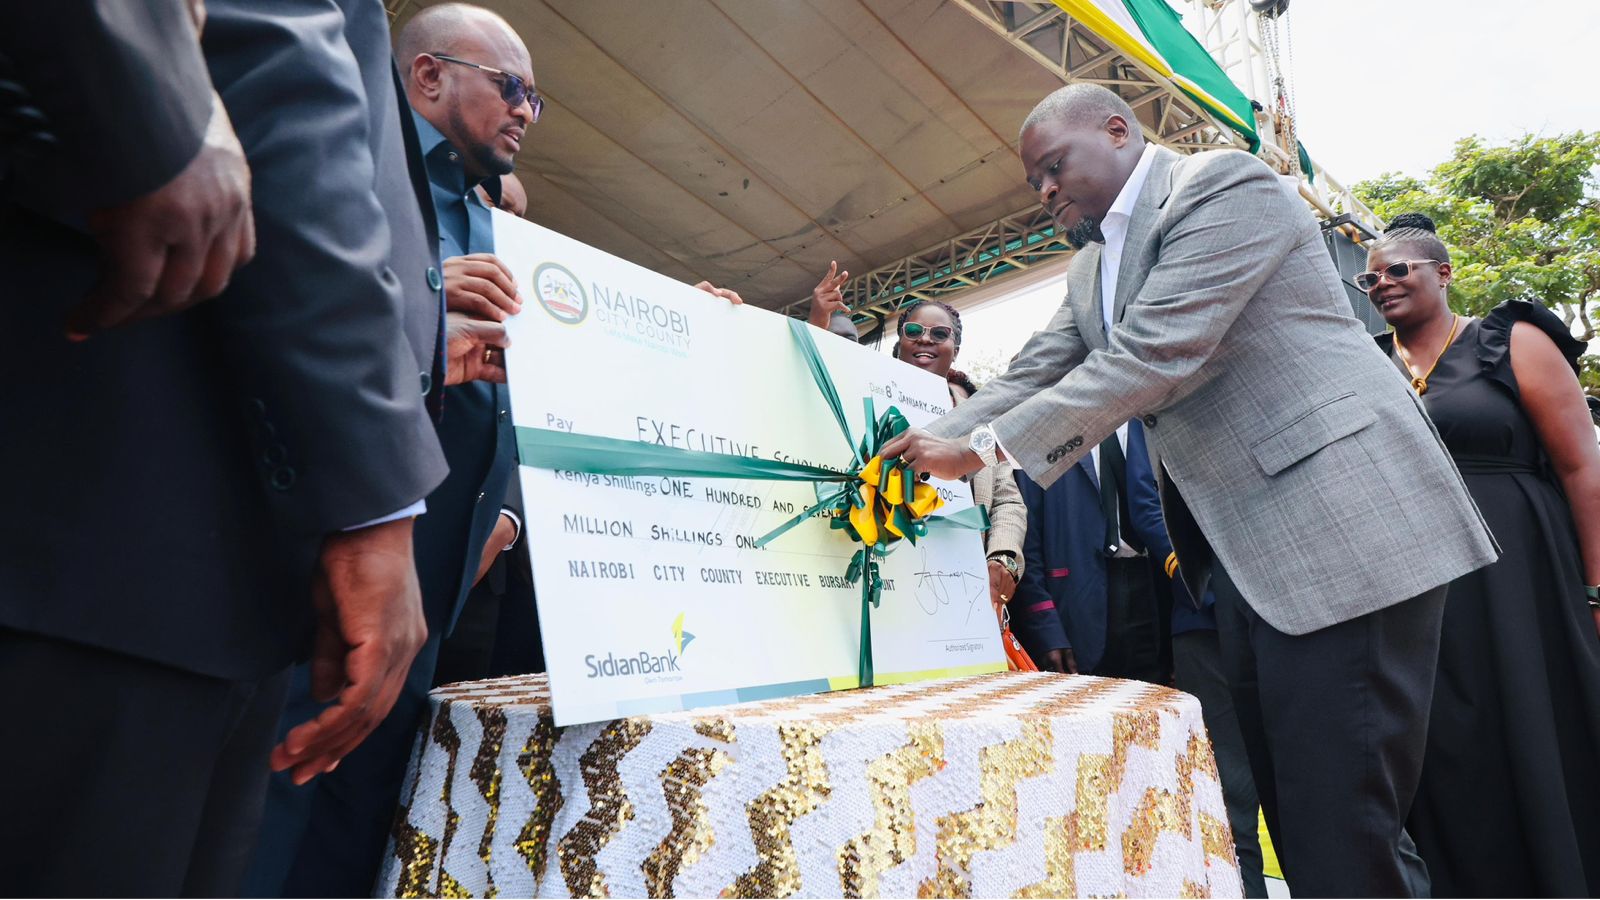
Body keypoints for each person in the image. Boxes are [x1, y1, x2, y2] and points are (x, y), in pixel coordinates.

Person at [881, 83, 1497, 897]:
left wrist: (979, 450)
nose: (1045, 191)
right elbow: (1035, 371)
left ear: (1117, 130)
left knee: (1345, 823)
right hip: (1244, 556)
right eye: (1034, 181)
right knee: (1299, 818)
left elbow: (1153, 353)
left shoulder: (1223, 185)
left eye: (1055, 166)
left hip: (1340, 526)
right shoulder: (1091, 265)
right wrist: (925, 436)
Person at [0, 0, 473, 891]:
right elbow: (283, 100)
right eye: (512, 88)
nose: (527, 111)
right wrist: (377, 500)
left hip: (207, 577)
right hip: (121, 533)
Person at [245, 4, 537, 896]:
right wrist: (422, 303)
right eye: (511, 87)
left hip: (431, 600)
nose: (526, 110)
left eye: (536, 99)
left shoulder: (498, 227)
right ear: (428, 75)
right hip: (319, 575)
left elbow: (511, 393)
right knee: (265, 816)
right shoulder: (355, 170)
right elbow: (285, 298)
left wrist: (501, 516)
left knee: (355, 829)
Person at [1364, 214, 1600, 897]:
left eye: (1399, 269)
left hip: (1522, 575)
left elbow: (1582, 466)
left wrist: (1595, 588)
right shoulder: (1367, 363)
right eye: (1370, 279)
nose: (1383, 284)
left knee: (1535, 721)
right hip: (1420, 585)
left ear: (1443, 273)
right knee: (1445, 743)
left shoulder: (1508, 340)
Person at [889, 300, 1028, 631]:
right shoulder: (871, 403)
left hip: (966, 587)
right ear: (900, 342)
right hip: (891, 579)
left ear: (956, 350)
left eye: (939, 333)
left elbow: (1007, 500)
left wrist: (1004, 558)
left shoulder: (982, 420)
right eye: (914, 331)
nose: (925, 339)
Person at [1010, 421, 1164, 683]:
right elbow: (1027, 541)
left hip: (1151, 596)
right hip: (1074, 606)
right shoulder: (1044, 431)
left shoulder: (1145, 419)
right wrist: (1046, 626)